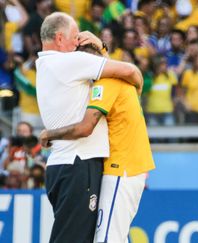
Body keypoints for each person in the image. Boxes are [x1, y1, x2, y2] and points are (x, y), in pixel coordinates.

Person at [36, 12, 143, 243]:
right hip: (78, 163)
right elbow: (132, 72)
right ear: (59, 38)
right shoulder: (69, 61)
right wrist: (100, 45)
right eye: (75, 37)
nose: (79, 42)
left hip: (60, 165)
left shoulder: (45, 64)